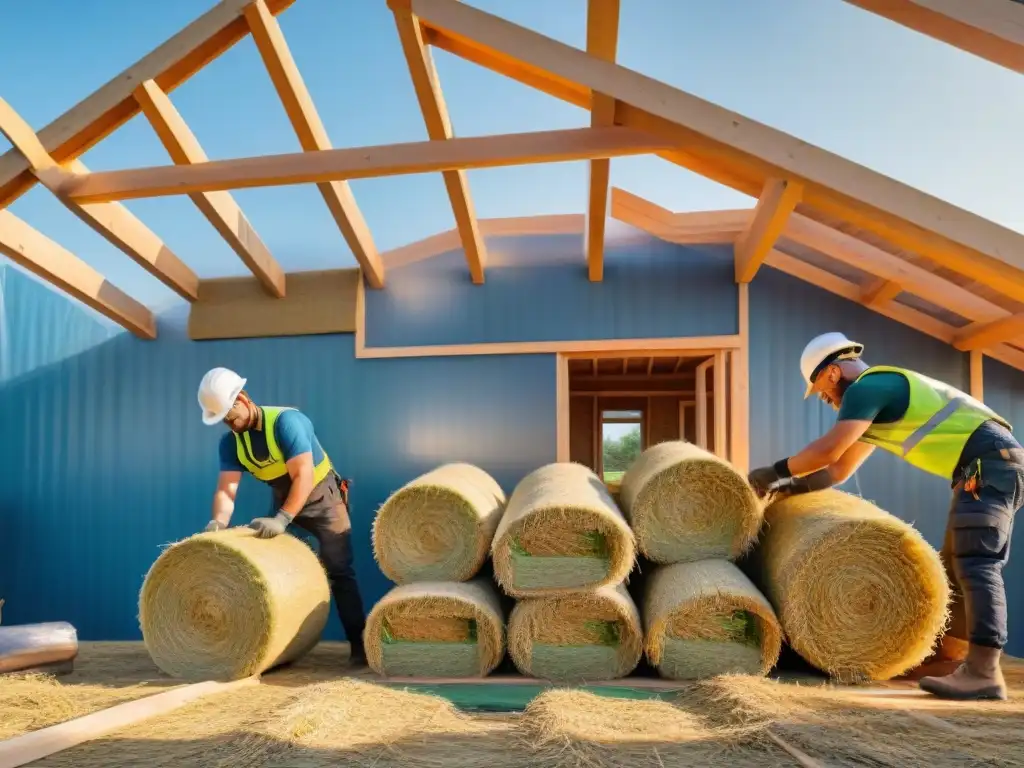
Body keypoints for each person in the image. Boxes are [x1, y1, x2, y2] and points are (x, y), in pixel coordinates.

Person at [748, 332, 1021, 701]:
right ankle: (950, 663)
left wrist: (772, 472)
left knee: (976, 563)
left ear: (831, 373)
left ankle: (983, 671)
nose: (827, 401)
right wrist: (788, 489)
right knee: (956, 562)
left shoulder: (868, 387)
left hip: (990, 464)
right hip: (981, 468)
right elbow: (839, 469)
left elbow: (828, 451)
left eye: (822, 391)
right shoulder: (877, 399)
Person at [196, 366, 366, 666]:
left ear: (244, 398)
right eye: (223, 420)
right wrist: (218, 522)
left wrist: (282, 519)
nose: (230, 425)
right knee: (278, 571)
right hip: (284, 502)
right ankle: (277, 647)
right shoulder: (230, 443)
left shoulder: (288, 422)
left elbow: (303, 475)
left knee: (339, 571)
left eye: (231, 416)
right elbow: (226, 490)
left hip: (323, 499)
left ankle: (359, 645)